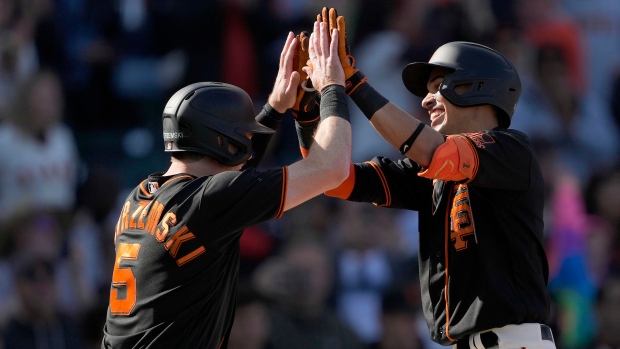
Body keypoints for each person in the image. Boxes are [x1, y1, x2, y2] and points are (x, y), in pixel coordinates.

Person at [296, 7, 555, 348]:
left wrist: (354, 84)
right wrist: (310, 107)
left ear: (475, 87)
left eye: (438, 86)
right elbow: (333, 177)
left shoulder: (511, 150)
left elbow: (438, 154)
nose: (427, 99)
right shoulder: (430, 172)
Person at [101, 20, 352, 348]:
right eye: (243, 136)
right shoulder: (210, 200)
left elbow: (232, 179)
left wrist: (275, 108)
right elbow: (333, 168)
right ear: (224, 142)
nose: (248, 144)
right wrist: (333, 86)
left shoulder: (141, 195)